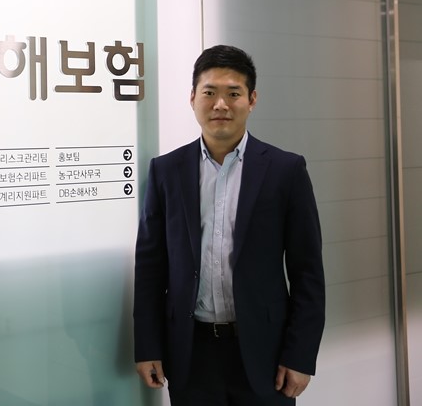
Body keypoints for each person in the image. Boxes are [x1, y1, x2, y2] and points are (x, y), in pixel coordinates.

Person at [132, 45, 325, 405]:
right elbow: (150, 268)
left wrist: (300, 355)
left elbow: (308, 271)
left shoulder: (285, 171)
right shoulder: (166, 171)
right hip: (191, 354)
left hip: (266, 354)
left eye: (233, 93)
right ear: (192, 98)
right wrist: (147, 346)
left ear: (252, 100)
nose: (220, 104)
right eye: (209, 92)